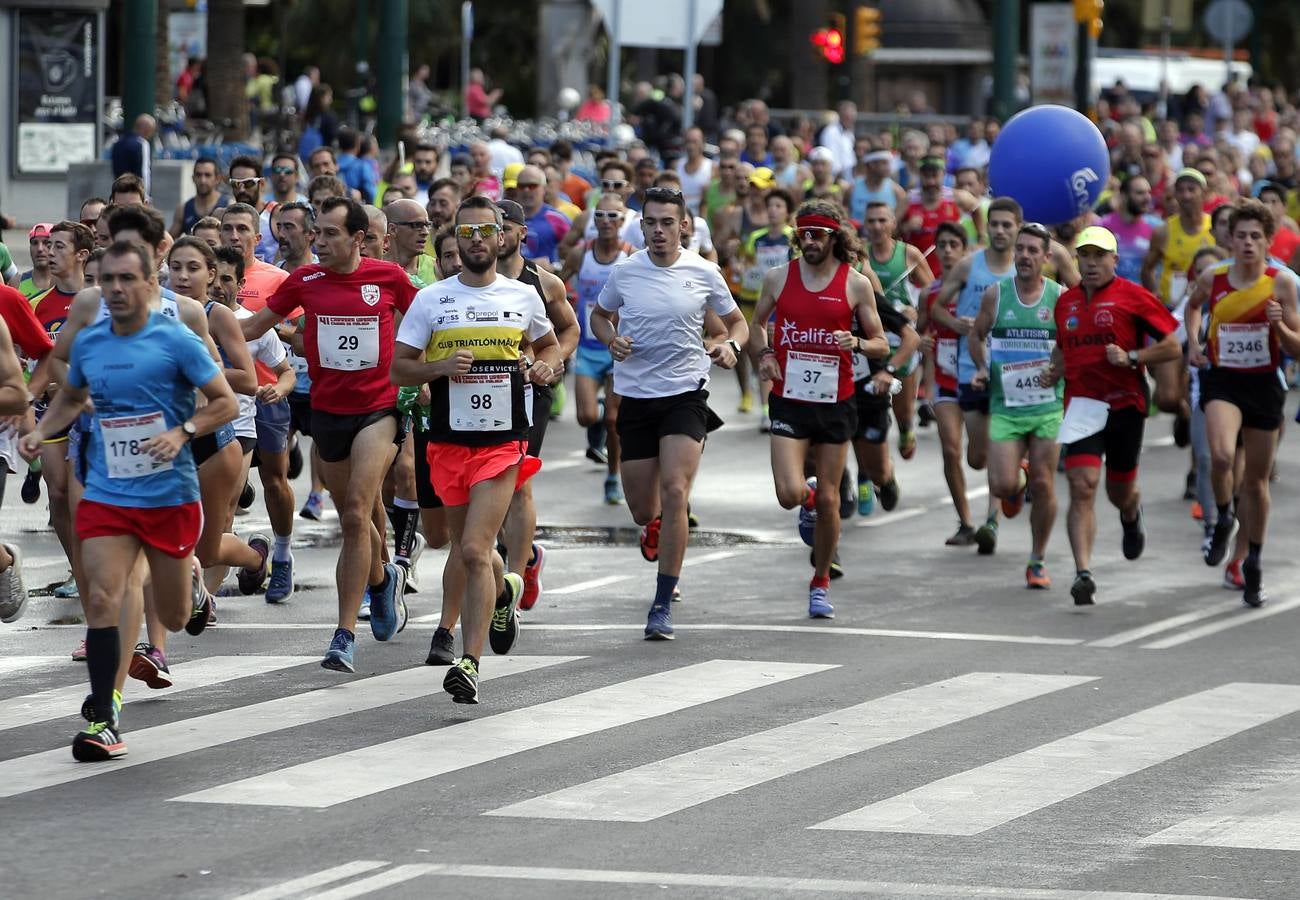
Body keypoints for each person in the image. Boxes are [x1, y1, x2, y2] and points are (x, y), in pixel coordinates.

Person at [19, 240, 238, 761]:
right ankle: (103, 716)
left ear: (148, 285)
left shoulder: (178, 340)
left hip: (168, 493)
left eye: (125, 280)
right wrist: (39, 429)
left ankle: (191, 585)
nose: (114, 289)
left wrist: (183, 430)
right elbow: (70, 394)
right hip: (108, 489)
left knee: (177, 615)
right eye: (107, 280)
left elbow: (225, 402)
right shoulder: (92, 342)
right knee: (101, 596)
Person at [392, 196, 561, 703]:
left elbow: (551, 344)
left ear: (501, 235)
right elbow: (400, 367)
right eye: (466, 234)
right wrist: (439, 369)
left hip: (503, 442)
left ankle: (470, 661)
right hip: (447, 442)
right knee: (469, 552)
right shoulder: (432, 301)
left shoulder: (523, 296)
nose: (477, 240)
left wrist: (546, 365)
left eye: (485, 231)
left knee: (473, 549)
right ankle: (506, 589)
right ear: (455, 240)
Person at [240, 197, 418, 672]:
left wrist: (428, 372)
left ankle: (343, 635)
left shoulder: (388, 278)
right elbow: (254, 326)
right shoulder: (306, 281)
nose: (319, 241)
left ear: (359, 238)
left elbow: (428, 323)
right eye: (317, 233)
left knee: (358, 514)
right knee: (355, 517)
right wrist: (198, 327)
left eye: (330, 234)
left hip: (378, 411)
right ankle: (382, 583)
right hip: (328, 413)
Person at [590, 187, 748, 640]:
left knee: (676, 490)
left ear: (684, 226)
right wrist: (610, 338)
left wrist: (729, 346)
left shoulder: (704, 271)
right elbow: (600, 316)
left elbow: (737, 322)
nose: (659, 231)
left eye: (667, 223)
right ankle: (656, 526)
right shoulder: (626, 272)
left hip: (685, 394)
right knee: (644, 510)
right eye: (651, 223)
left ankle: (662, 601)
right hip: (636, 396)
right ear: (641, 227)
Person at [749, 200, 890, 617]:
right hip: (790, 399)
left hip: (836, 402)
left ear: (835, 238)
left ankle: (820, 582)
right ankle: (806, 498)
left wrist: (860, 343)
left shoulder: (856, 283)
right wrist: (765, 355)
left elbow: (882, 341)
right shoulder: (779, 277)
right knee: (789, 494)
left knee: (831, 500)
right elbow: (757, 324)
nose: (809, 241)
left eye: (818, 235)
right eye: (804, 234)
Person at [1047, 226, 1180, 605]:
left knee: (1117, 490)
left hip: (1125, 404)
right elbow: (1061, 347)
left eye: (1099, 256)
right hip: (1083, 404)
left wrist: (1132, 357)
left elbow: (1172, 345)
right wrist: (1053, 370)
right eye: (1084, 256)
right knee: (1081, 484)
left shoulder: (1134, 297)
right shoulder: (1066, 303)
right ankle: (1082, 572)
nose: (1090, 263)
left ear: (1114, 260)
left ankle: (1130, 511)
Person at [1185, 199, 1300, 607]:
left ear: (1269, 241)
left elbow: (1297, 348)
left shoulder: (1282, 283)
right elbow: (1193, 307)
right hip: (1224, 381)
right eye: (1241, 236)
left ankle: (1253, 559)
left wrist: (1279, 324)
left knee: (1255, 481)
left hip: (1265, 385)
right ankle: (1222, 518)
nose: (1248, 243)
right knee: (1218, 457)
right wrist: (1196, 343)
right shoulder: (1213, 277)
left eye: (1256, 236)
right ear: (1229, 239)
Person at [968, 223, 1065, 589]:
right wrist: (981, 367)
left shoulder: (1060, 297)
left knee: (1044, 484)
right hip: (1005, 406)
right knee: (1004, 483)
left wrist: (1059, 371)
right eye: (1020, 249)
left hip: (1047, 406)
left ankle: (1037, 559)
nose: (1024, 255)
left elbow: (1073, 345)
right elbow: (976, 335)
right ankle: (1016, 478)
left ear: (1046, 257)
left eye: (1032, 250)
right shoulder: (996, 295)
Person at [928, 198, 1023, 553]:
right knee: (973, 457)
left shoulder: (1025, 267)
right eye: (994, 224)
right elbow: (936, 307)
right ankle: (978, 514)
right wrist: (955, 324)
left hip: (1010, 371)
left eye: (1006, 225)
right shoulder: (969, 267)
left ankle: (991, 522)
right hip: (965, 369)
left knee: (998, 452)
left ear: (1017, 227)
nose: (999, 230)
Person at [559, 192, 633, 505]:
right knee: (587, 417)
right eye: (599, 216)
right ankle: (601, 411)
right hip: (588, 348)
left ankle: (613, 476)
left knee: (615, 421)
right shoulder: (581, 255)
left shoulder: (632, 256)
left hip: (617, 348)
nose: (605, 222)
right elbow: (556, 288)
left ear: (623, 220)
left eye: (613, 216)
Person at [1141, 167, 1214, 426]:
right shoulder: (1163, 231)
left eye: (1191, 189)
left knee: (1198, 381)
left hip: (1205, 316)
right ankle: (1183, 411)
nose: (1185, 195)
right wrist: (1154, 297)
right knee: (1166, 398)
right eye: (1180, 190)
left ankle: (1195, 430)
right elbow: (1147, 268)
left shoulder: (1214, 228)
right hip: (1172, 315)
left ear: (1203, 193)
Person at [862, 201, 934, 463]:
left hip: (902, 337)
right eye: (871, 221)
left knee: (903, 410)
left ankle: (905, 429)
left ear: (894, 223)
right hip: (872, 337)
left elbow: (931, 292)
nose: (877, 226)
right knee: (873, 408)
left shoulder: (909, 254)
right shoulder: (860, 255)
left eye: (883, 220)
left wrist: (915, 311)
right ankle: (877, 459)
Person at [900, 157, 984, 276]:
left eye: (935, 176)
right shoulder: (908, 200)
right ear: (920, 175)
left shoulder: (956, 197)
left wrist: (980, 239)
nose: (931, 182)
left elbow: (976, 208)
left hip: (951, 270)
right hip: (918, 272)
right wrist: (905, 227)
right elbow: (891, 230)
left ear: (943, 175)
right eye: (926, 176)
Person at [170, 158, 230, 238]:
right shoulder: (183, 209)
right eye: (198, 175)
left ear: (217, 179)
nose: (203, 180)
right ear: (193, 178)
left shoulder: (228, 206)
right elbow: (168, 240)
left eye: (207, 175)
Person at [110, 115, 155, 197]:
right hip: (136, 194)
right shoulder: (142, 144)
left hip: (119, 192)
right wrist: (146, 196)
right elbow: (144, 171)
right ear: (147, 130)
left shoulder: (117, 144)